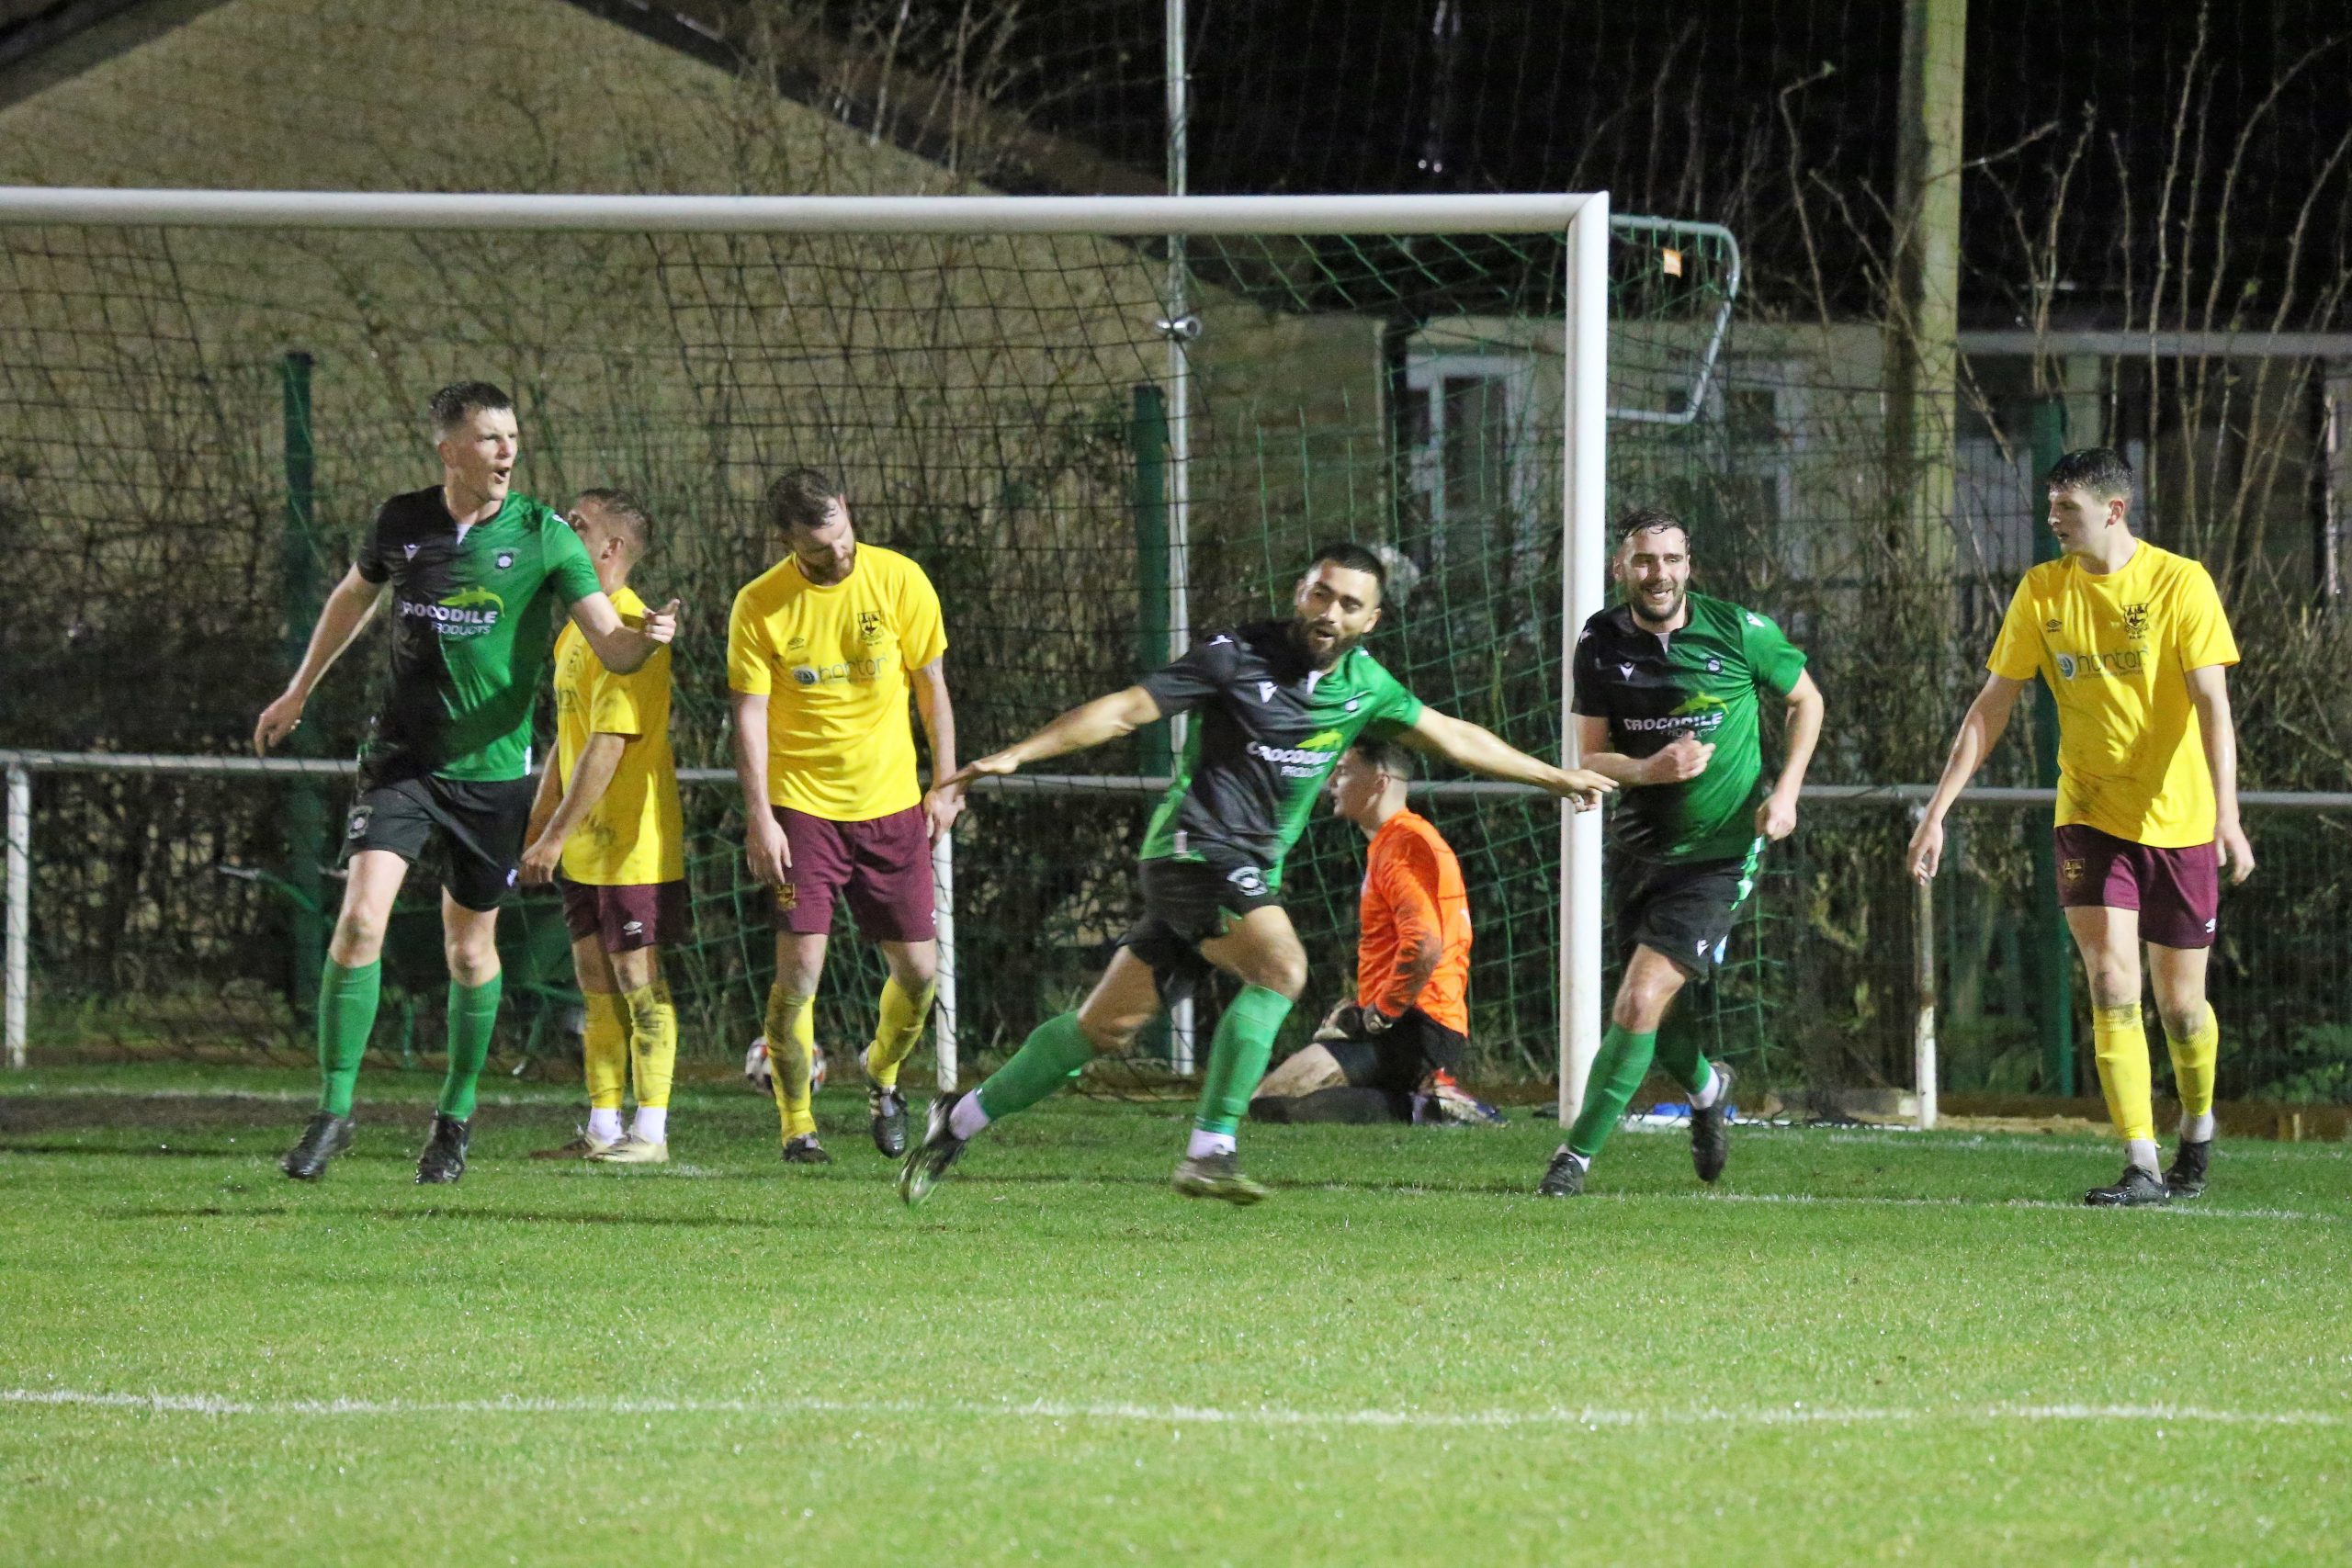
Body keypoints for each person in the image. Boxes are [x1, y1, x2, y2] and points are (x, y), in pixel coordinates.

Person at [898, 543, 1614, 1207]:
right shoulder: (1233, 656)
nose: (1328, 613)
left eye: (1347, 604)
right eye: (1319, 594)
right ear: (1299, 591)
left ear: (1372, 618)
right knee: (1281, 968)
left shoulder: (1367, 686)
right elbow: (1124, 710)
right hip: (1192, 852)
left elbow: (1453, 734)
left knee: (1101, 1029)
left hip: (1235, 873)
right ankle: (1211, 1147)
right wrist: (1021, 754)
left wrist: (1552, 776)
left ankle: (957, 1117)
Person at [257, 382, 679, 1184]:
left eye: (514, 437)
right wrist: (300, 687)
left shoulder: (546, 536)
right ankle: (333, 1112)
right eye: (489, 439)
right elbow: (353, 596)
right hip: (401, 763)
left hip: (490, 780)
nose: (507, 452)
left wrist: (647, 638)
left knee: (469, 948)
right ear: (448, 449)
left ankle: (453, 1119)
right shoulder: (401, 522)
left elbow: (614, 649)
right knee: (358, 923)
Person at [1907, 447, 2249, 1207]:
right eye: (2051, 505)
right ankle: (2141, 1161)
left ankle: (2197, 1125)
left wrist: (2227, 814)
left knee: (2182, 1006)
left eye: (2066, 508)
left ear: (2114, 511)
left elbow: (2213, 708)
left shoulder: (2178, 583)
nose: (2052, 519)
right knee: (2109, 979)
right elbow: (1990, 706)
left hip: (2179, 820)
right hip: (2089, 815)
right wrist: (1938, 811)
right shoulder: (2042, 590)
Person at [1538, 507, 1824, 1198]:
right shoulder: (1599, 641)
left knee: (1638, 1001)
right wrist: (1650, 770)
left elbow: (1806, 701)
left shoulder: (1739, 630)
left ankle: (1572, 1160)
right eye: (1643, 560)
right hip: (1639, 849)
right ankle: (1706, 1086)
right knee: (1656, 1019)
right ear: (1621, 568)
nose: (1657, 572)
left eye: (1670, 559)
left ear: (1689, 565)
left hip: (1720, 853)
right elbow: (1592, 755)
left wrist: (1784, 794)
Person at [728, 468, 959, 1166]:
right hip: (803, 812)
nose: (839, 557)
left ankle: (883, 1074)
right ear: (786, 541)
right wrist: (760, 816)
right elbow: (749, 717)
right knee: (799, 974)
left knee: (920, 973)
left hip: (891, 809)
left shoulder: (899, 580)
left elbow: (933, 688)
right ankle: (797, 1125)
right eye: (820, 550)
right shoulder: (760, 605)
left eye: (843, 538)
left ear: (848, 513)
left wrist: (946, 783)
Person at [519, 489, 687, 1166]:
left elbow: (608, 745)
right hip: (587, 843)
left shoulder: (634, 628)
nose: (561, 530)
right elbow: (568, 739)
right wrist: (541, 823)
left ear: (610, 550)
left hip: (632, 845)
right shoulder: (579, 628)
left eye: (577, 525)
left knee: (637, 978)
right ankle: (602, 1124)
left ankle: (650, 1132)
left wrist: (553, 835)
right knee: (593, 981)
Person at [1249, 733, 1494, 1125]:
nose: (1331, 782)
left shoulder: (1406, 843)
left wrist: (1379, 1013)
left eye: (1344, 772)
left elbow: (1426, 944)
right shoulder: (1396, 840)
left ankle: (1432, 1108)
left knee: (1272, 1105)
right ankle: (1430, 1099)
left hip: (1417, 1027)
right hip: (1410, 1023)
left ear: (1379, 783)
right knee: (1270, 1101)